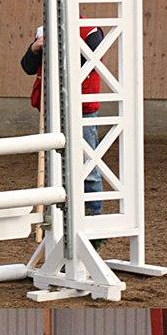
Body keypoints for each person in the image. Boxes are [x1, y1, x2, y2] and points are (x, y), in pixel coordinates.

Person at [20, 22, 105, 215]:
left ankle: (93, 211)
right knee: (54, 161)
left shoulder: (91, 31)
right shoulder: (43, 30)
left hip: (81, 106)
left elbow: (88, 63)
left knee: (87, 161)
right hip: (52, 105)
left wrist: (57, 48)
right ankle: (58, 211)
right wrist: (34, 49)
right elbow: (28, 66)